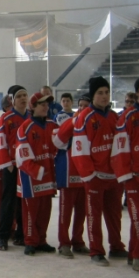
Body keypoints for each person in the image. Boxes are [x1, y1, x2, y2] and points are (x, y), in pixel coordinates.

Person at [71, 77, 127, 266]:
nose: (104, 96)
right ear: (93, 95)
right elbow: (79, 151)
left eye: (107, 92)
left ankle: (116, 246)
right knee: (94, 215)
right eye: (100, 93)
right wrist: (89, 175)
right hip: (95, 176)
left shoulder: (114, 117)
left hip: (113, 176)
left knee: (114, 214)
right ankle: (96, 250)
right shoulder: (85, 117)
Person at [111, 75, 139, 272]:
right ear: (137, 92)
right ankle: (138, 256)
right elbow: (119, 148)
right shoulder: (129, 116)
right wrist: (126, 174)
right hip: (133, 176)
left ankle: (135, 254)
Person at [15, 92, 58, 255]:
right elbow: (22, 157)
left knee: (45, 210)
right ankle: (30, 241)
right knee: (31, 212)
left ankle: (41, 240)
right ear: (33, 107)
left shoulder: (52, 125)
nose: (46, 107)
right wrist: (37, 171)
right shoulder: (25, 128)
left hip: (48, 177)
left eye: (47, 104)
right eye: (42, 104)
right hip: (30, 179)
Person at [52, 94, 88, 258]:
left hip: (85, 172)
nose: (83, 109)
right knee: (65, 211)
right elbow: (58, 141)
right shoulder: (67, 120)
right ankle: (64, 243)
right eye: (81, 105)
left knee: (82, 210)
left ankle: (78, 241)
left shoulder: (92, 121)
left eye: (86, 106)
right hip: (67, 170)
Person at [0, 85, 30, 251]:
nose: (23, 99)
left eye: (25, 95)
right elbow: (0, 142)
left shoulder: (31, 117)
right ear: (13, 101)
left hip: (27, 167)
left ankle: (21, 234)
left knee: (24, 201)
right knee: (8, 201)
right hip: (11, 167)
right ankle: (3, 236)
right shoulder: (6, 119)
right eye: (19, 96)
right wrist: (6, 164)